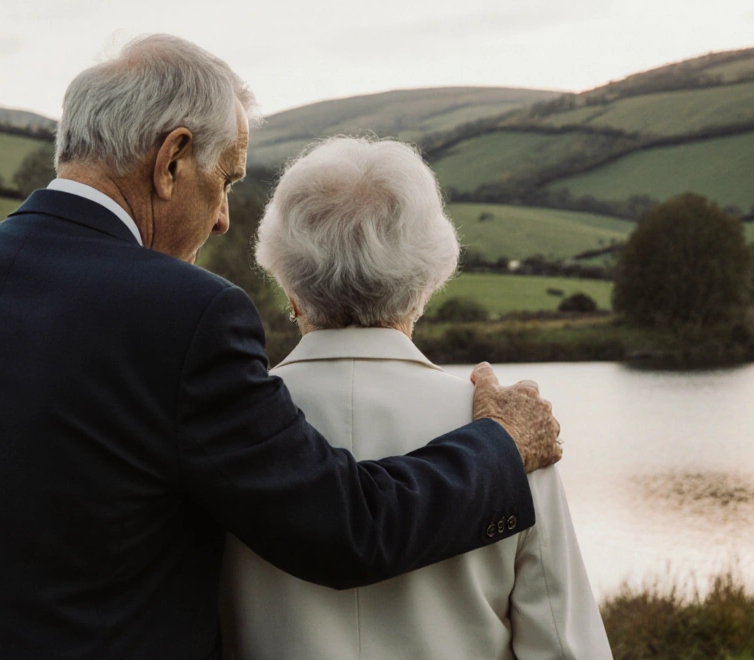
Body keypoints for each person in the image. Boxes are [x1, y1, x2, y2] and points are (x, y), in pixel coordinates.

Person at [0, 35, 562, 659]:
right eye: (226, 180)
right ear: (172, 159)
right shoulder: (184, 314)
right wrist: (500, 443)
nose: (224, 221)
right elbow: (344, 529)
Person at [221, 137, 611, 659]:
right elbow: (565, 647)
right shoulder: (509, 433)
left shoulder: (226, 428)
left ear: (287, 284)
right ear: (429, 279)